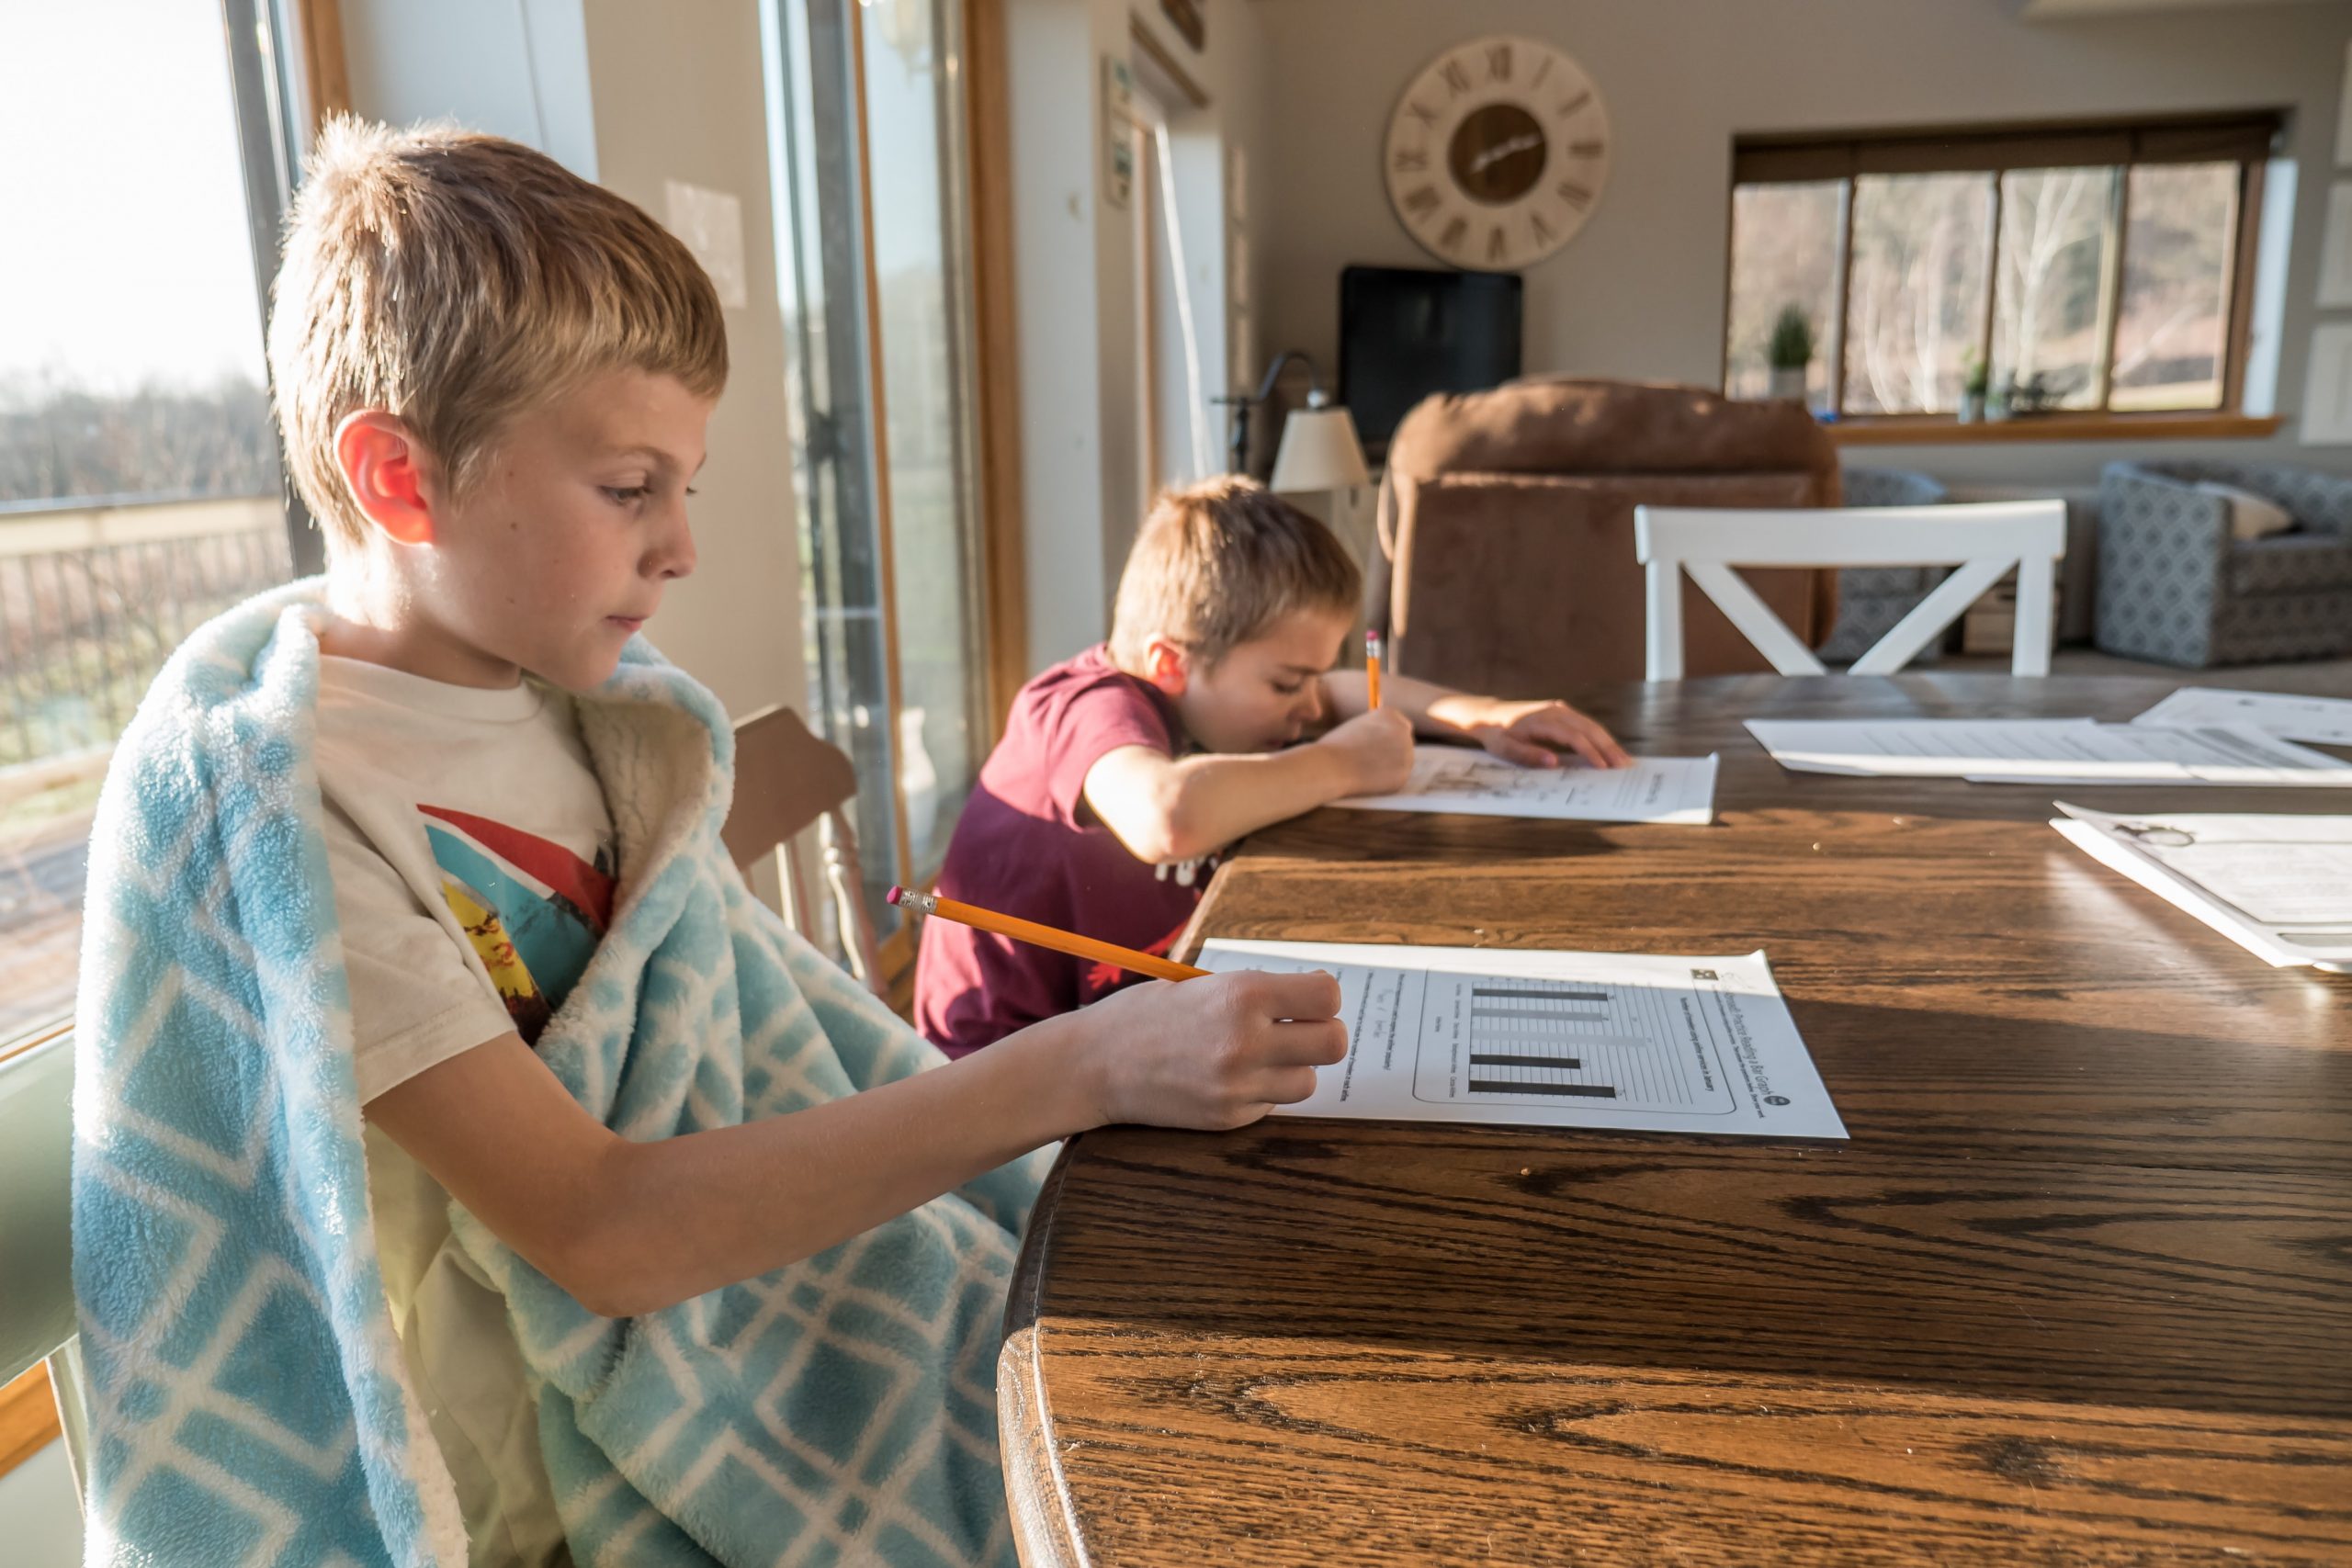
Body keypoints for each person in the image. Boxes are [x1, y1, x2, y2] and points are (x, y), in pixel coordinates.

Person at [70, 119, 1340, 1568]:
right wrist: (1083, 1063)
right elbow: (601, 1230)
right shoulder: (285, 810)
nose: (682, 546)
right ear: (401, 479)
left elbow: (737, 1037)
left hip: (725, 1338)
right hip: (522, 1502)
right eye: (629, 489)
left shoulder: (599, 718)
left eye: (690, 484)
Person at [914, 476, 1631, 1057]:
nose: (1308, 704)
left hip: (1123, 1026)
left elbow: (1340, 692)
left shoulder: (1203, 693)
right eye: (1287, 683)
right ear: (1170, 661)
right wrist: (1341, 764)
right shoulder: (1081, 705)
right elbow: (1168, 815)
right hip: (1003, 1083)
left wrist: (1476, 715)